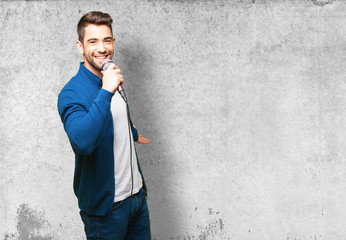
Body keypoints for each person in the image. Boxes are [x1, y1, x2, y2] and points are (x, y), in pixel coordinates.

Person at [57, 11, 151, 239]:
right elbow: (83, 142)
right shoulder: (71, 93)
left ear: (113, 42)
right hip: (106, 210)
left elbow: (116, 117)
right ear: (80, 46)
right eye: (93, 41)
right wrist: (106, 90)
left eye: (106, 40)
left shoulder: (110, 76)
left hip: (136, 199)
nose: (102, 48)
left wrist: (133, 132)